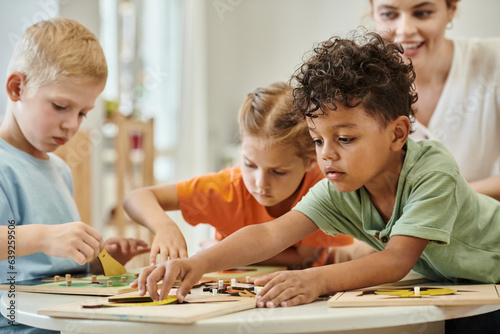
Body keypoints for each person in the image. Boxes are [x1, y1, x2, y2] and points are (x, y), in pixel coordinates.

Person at [134, 32, 500, 312]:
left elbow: (396, 260)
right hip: (470, 286)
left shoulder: (432, 170)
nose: (327, 155)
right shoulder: (341, 188)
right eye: (317, 141)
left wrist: (315, 279)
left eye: (344, 138)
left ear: (398, 133)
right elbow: (270, 233)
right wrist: (197, 264)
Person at [0, 18, 149, 333]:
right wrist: (44, 237)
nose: (73, 125)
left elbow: (58, 267)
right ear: (17, 88)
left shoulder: (60, 170)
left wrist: (98, 259)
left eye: (83, 113)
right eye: (60, 106)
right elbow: (37, 246)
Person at [124, 82, 355, 269]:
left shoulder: (322, 186)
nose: (260, 183)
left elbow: (306, 259)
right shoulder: (226, 187)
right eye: (249, 164)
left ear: (309, 162)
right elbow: (135, 198)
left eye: (278, 172)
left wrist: (221, 251)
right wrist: (166, 228)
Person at [370, 0, 500, 201]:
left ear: (451, 10)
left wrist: (439, 197)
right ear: (373, 13)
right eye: (389, 14)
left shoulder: (493, 60)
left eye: (422, 13)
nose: (405, 30)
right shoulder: (361, 85)